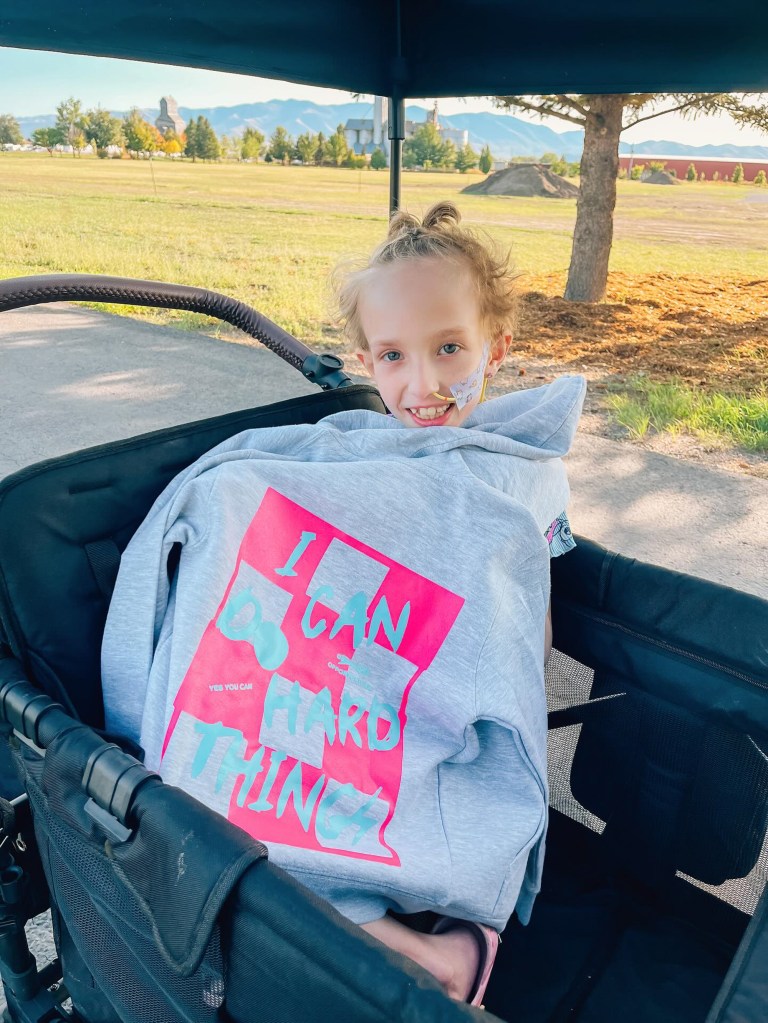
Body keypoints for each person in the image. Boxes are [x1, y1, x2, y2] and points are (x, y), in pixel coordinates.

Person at [101, 201, 585, 1008]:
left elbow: (519, 622)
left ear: (495, 348)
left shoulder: (521, 477)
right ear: (364, 357)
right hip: (322, 673)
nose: (423, 384)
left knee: (402, 808)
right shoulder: (353, 451)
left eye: (449, 349)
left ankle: (382, 931)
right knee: (224, 784)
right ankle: (394, 940)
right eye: (394, 356)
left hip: (415, 701)